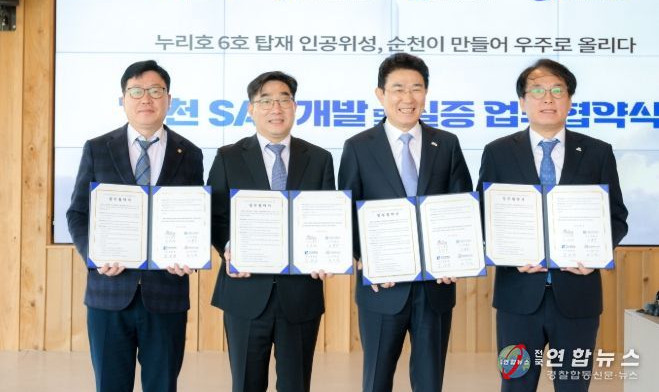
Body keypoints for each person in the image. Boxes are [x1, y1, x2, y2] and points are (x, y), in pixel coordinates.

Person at [476, 58, 628, 391]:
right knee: (516, 384)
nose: (548, 99)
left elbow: (617, 217)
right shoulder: (498, 152)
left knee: (573, 385)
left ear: (569, 101)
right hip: (517, 299)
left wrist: (596, 255)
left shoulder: (597, 152)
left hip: (577, 296)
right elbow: (483, 217)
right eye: (537, 91)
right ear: (522, 102)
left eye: (557, 90)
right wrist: (507, 253)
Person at [66, 60, 204, 392]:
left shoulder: (190, 153)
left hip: (167, 294)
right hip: (108, 293)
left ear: (169, 99)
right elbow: (77, 213)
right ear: (123, 98)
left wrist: (192, 254)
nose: (146, 99)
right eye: (137, 91)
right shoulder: (97, 148)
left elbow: (197, 215)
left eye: (155, 91)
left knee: (162, 385)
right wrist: (94, 255)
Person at [338, 53, 473, 391]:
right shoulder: (358, 147)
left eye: (416, 88)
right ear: (380, 94)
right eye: (398, 88)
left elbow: (462, 208)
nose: (408, 98)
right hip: (382, 287)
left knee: (430, 381)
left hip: (435, 286)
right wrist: (364, 257)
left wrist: (458, 258)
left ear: (426, 93)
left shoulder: (447, 144)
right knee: (376, 379)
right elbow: (346, 211)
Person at [206, 71, 335, 392]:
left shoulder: (320, 159)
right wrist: (228, 246)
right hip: (245, 292)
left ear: (295, 107)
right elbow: (214, 216)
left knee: (296, 385)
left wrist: (327, 253)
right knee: (246, 384)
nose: (275, 108)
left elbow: (328, 218)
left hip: (300, 293)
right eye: (265, 101)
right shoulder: (228, 157)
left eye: (283, 99)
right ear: (251, 109)